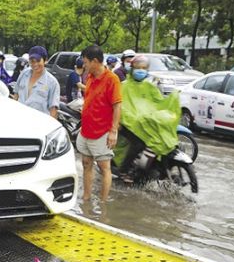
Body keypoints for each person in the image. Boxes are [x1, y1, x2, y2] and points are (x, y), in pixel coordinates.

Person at [116, 54, 179, 182]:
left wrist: (172, 99)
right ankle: (124, 170)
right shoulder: (123, 86)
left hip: (145, 122)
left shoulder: (150, 86)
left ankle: (153, 167)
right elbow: (119, 106)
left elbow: (159, 102)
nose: (141, 70)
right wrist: (127, 118)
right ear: (132, 69)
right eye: (138, 67)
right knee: (138, 144)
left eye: (144, 68)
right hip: (127, 123)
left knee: (164, 138)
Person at [76, 44, 122, 202]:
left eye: (86, 62)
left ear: (95, 61)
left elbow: (117, 106)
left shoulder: (112, 80)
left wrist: (113, 131)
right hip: (86, 130)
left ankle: (103, 204)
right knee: (86, 163)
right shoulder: (89, 77)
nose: (84, 65)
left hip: (102, 132)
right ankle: (86, 198)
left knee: (104, 168)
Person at [15, 46, 60, 117]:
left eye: (38, 61)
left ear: (45, 60)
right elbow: (16, 96)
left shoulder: (52, 82)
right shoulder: (23, 74)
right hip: (20, 119)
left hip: (39, 124)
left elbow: (53, 109)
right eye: (32, 61)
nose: (35, 64)